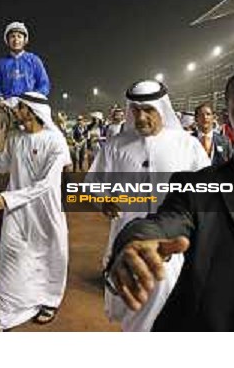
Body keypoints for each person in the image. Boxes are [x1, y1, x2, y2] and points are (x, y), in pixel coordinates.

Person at [107, 64, 234, 331]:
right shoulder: (199, 188)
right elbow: (165, 221)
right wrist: (138, 238)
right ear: (229, 116)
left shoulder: (185, 144)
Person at [89, 79, 210, 331]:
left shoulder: (186, 145)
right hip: (127, 242)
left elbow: (206, 192)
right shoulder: (115, 146)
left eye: (148, 110)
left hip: (174, 245)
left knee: (173, 309)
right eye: (136, 110)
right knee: (133, 311)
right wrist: (103, 200)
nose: (141, 117)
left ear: (162, 109)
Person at [0, 92, 72, 332]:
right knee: (11, 258)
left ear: (31, 111)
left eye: (18, 108)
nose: (14, 112)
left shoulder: (55, 142)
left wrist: (8, 198)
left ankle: (49, 301)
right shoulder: (15, 138)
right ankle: (5, 314)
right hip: (17, 212)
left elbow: (47, 184)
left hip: (44, 212)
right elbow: (1, 163)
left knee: (49, 256)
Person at [0, 21, 50, 100]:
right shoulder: (0, 64)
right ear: (7, 40)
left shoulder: (34, 60)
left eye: (19, 36)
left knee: (46, 112)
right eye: (12, 36)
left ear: (25, 40)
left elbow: (44, 84)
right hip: (7, 103)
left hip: (31, 102)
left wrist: (33, 97)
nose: (16, 40)